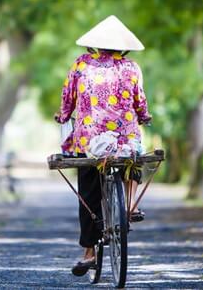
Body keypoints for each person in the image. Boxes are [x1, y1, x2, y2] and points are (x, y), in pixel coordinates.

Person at [54, 15, 152, 276]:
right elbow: (140, 102)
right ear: (123, 46)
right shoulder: (131, 67)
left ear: (94, 44)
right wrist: (143, 117)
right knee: (133, 156)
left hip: (90, 142)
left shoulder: (81, 65)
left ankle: (89, 253)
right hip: (123, 139)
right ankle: (129, 205)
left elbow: (68, 98)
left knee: (88, 191)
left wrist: (63, 116)